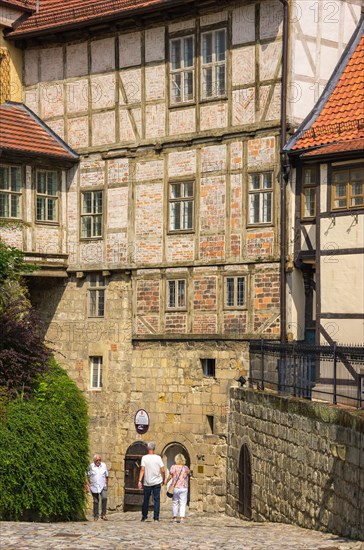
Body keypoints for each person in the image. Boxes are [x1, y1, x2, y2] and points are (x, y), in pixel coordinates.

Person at [138, 441, 165, 522]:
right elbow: (163, 470)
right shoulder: (158, 458)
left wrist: (139, 480)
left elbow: (142, 469)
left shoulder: (144, 458)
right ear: (154, 449)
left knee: (146, 499)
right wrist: (163, 479)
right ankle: (156, 517)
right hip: (157, 481)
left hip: (147, 482)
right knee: (157, 500)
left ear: (148, 448)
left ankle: (144, 516)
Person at [165, 453, 190, 523]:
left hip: (175, 487)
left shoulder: (173, 467)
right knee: (183, 502)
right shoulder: (185, 468)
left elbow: (170, 476)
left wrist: (166, 482)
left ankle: (174, 517)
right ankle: (182, 517)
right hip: (184, 487)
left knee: (175, 502)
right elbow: (189, 473)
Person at [87, 454, 109, 521]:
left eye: (99, 460)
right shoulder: (90, 467)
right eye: (97, 460)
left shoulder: (104, 465)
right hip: (94, 486)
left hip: (103, 485)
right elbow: (86, 476)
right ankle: (96, 515)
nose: (98, 461)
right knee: (96, 501)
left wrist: (106, 484)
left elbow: (107, 475)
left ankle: (103, 514)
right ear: (94, 460)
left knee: (104, 498)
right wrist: (87, 485)